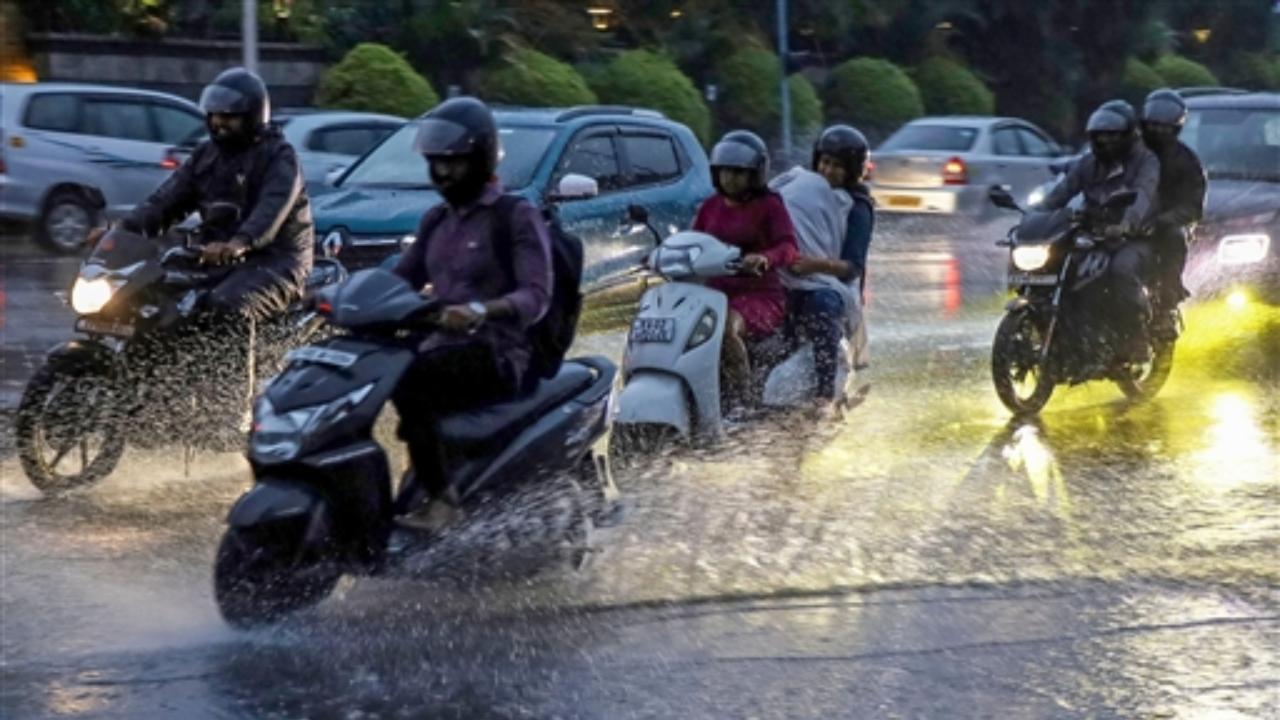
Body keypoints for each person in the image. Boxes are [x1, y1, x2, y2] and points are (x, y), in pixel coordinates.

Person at [391, 96, 552, 528]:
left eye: (454, 162)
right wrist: (334, 295)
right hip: (444, 346)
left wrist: (481, 310)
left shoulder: (515, 216)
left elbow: (537, 296)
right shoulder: (436, 221)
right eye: (436, 162)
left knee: (411, 379)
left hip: (497, 352)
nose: (442, 171)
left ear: (480, 159)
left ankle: (444, 502)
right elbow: (398, 280)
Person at [116, 67, 313, 322]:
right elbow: (165, 201)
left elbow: (270, 209)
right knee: (146, 292)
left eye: (229, 116)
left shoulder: (279, 157)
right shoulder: (206, 156)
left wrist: (240, 242)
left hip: (276, 262)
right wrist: (122, 230)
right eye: (214, 115)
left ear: (252, 116)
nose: (218, 122)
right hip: (214, 258)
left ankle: (238, 364)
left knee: (227, 306)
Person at [1041, 99, 1160, 362]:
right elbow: (1061, 193)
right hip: (1093, 233)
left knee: (1121, 269)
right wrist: (1035, 215)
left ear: (1128, 135)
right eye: (1099, 135)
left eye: (1111, 135)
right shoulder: (1087, 163)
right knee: (1057, 262)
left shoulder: (1145, 161)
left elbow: (1144, 195)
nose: (1104, 141)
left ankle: (1136, 336)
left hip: (1134, 236)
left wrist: (1127, 223)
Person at [691, 130, 799, 411]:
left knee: (723, 329)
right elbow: (692, 242)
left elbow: (788, 247)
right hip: (714, 293)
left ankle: (744, 404)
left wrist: (764, 258)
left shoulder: (769, 206)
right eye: (725, 171)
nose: (730, 178)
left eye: (738, 172)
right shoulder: (710, 206)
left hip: (759, 296)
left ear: (755, 174)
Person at [771, 124, 875, 413]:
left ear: (853, 171)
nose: (828, 171)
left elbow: (852, 267)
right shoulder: (799, 191)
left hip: (830, 284)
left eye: (838, 166)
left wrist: (814, 265)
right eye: (825, 162)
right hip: (785, 276)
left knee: (821, 306)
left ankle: (824, 392)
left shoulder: (857, 207)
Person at [1140, 88, 1206, 338]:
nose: (1157, 132)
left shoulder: (1186, 162)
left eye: (1164, 127)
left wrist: (1162, 221)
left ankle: (1165, 307)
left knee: (1174, 238)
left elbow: (1193, 206)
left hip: (1160, 226)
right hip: (1122, 221)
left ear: (1176, 128)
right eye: (1152, 126)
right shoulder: (1126, 152)